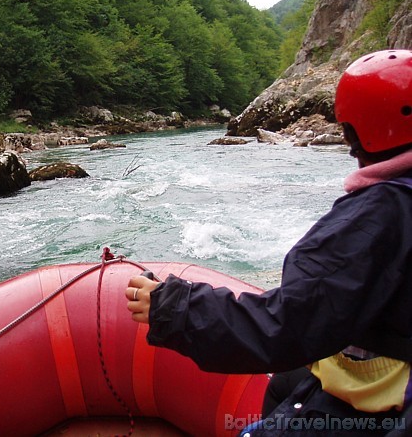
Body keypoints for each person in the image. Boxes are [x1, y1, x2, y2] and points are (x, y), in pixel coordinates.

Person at [126, 49, 412, 436]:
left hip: (389, 401)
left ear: (353, 133)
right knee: (285, 381)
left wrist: (174, 307)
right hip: (389, 366)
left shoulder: (379, 214)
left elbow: (288, 325)